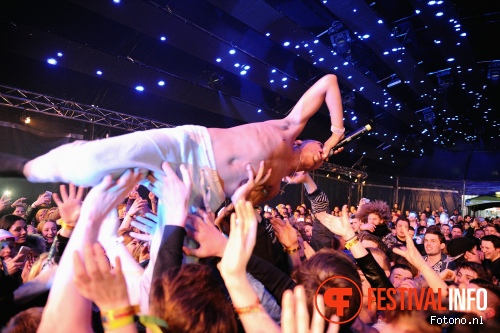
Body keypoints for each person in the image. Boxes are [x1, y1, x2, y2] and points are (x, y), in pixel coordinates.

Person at [8, 74, 345, 211]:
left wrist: (246, 195)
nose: (323, 155)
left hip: (203, 194)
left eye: (326, 157)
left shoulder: (274, 188)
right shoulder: (286, 129)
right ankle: (27, 167)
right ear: (303, 140)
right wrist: (336, 133)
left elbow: (235, 207)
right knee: (91, 165)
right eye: (320, 148)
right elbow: (329, 81)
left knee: (168, 256)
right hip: (192, 147)